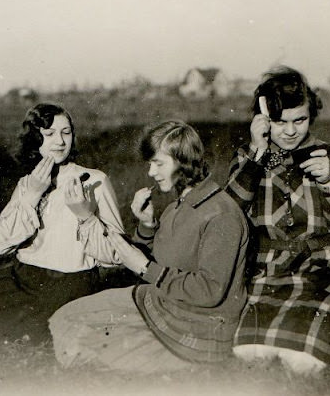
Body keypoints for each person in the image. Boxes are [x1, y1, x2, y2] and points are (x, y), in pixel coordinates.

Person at [49, 120, 248, 373]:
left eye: (159, 163)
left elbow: (208, 291)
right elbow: (161, 262)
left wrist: (144, 268)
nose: (151, 172)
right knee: (64, 319)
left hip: (196, 325)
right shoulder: (181, 203)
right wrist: (146, 227)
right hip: (162, 303)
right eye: (150, 163)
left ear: (184, 162)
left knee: (85, 347)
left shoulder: (221, 214)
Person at [0, 103, 124, 346]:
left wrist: (84, 216)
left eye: (66, 132)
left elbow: (114, 254)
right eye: (49, 134)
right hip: (23, 276)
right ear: (35, 139)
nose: (60, 141)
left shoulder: (94, 181)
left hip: (68, 283)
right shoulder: (29, 183)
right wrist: (32, 195)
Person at [225, 66, 330, 373]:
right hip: (267, 272)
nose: (290, 131)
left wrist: (329, 183)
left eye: (299, 120)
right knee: (249, 350)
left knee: (304, 354)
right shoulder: (249, 157)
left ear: (310, 116)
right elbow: (229, 216)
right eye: (279, 122)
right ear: (263, 120)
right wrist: (257, 154)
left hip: (320, 270)